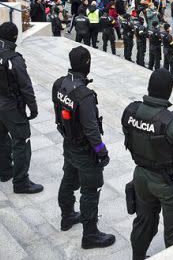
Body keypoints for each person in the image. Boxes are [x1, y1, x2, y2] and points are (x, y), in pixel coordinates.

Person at [122, 69, 173, 259]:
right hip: (170, 183)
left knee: (143, 223)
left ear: (149, 87)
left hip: (141, 177)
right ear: (170, 91)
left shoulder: (131, 111)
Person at [53, 47, 115, 249]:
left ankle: (67, 216)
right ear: (87, 63)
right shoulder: (84, 94)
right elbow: (91, 129)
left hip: (69, 143)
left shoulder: (60, 83)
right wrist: (102, 152)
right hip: (84, 150)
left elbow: (57, 115)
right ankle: (90, 235)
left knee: (69, 178)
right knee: (90, 190)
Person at [0, 22, 43, 194]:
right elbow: (25, 86)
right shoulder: (14, 59)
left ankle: (5, 172)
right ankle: (21, 182)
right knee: (21, 140)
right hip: (10, 107)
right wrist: (33, 107)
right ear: (15, 37)